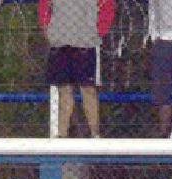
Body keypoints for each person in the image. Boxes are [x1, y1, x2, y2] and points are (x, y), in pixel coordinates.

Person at [38, 0, 115, 138]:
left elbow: (107, 6)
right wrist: (48, 30)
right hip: (60, 42)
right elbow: (44, 5)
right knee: (64, 90)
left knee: (88, 89)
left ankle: (95, 135)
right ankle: (62, 135)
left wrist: (97, 32)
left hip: (85, 43)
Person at [148, 0, 172, 138]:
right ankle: (164, 135)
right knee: (163, 92)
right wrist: (154, 35)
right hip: (163, 40)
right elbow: (153, 8)